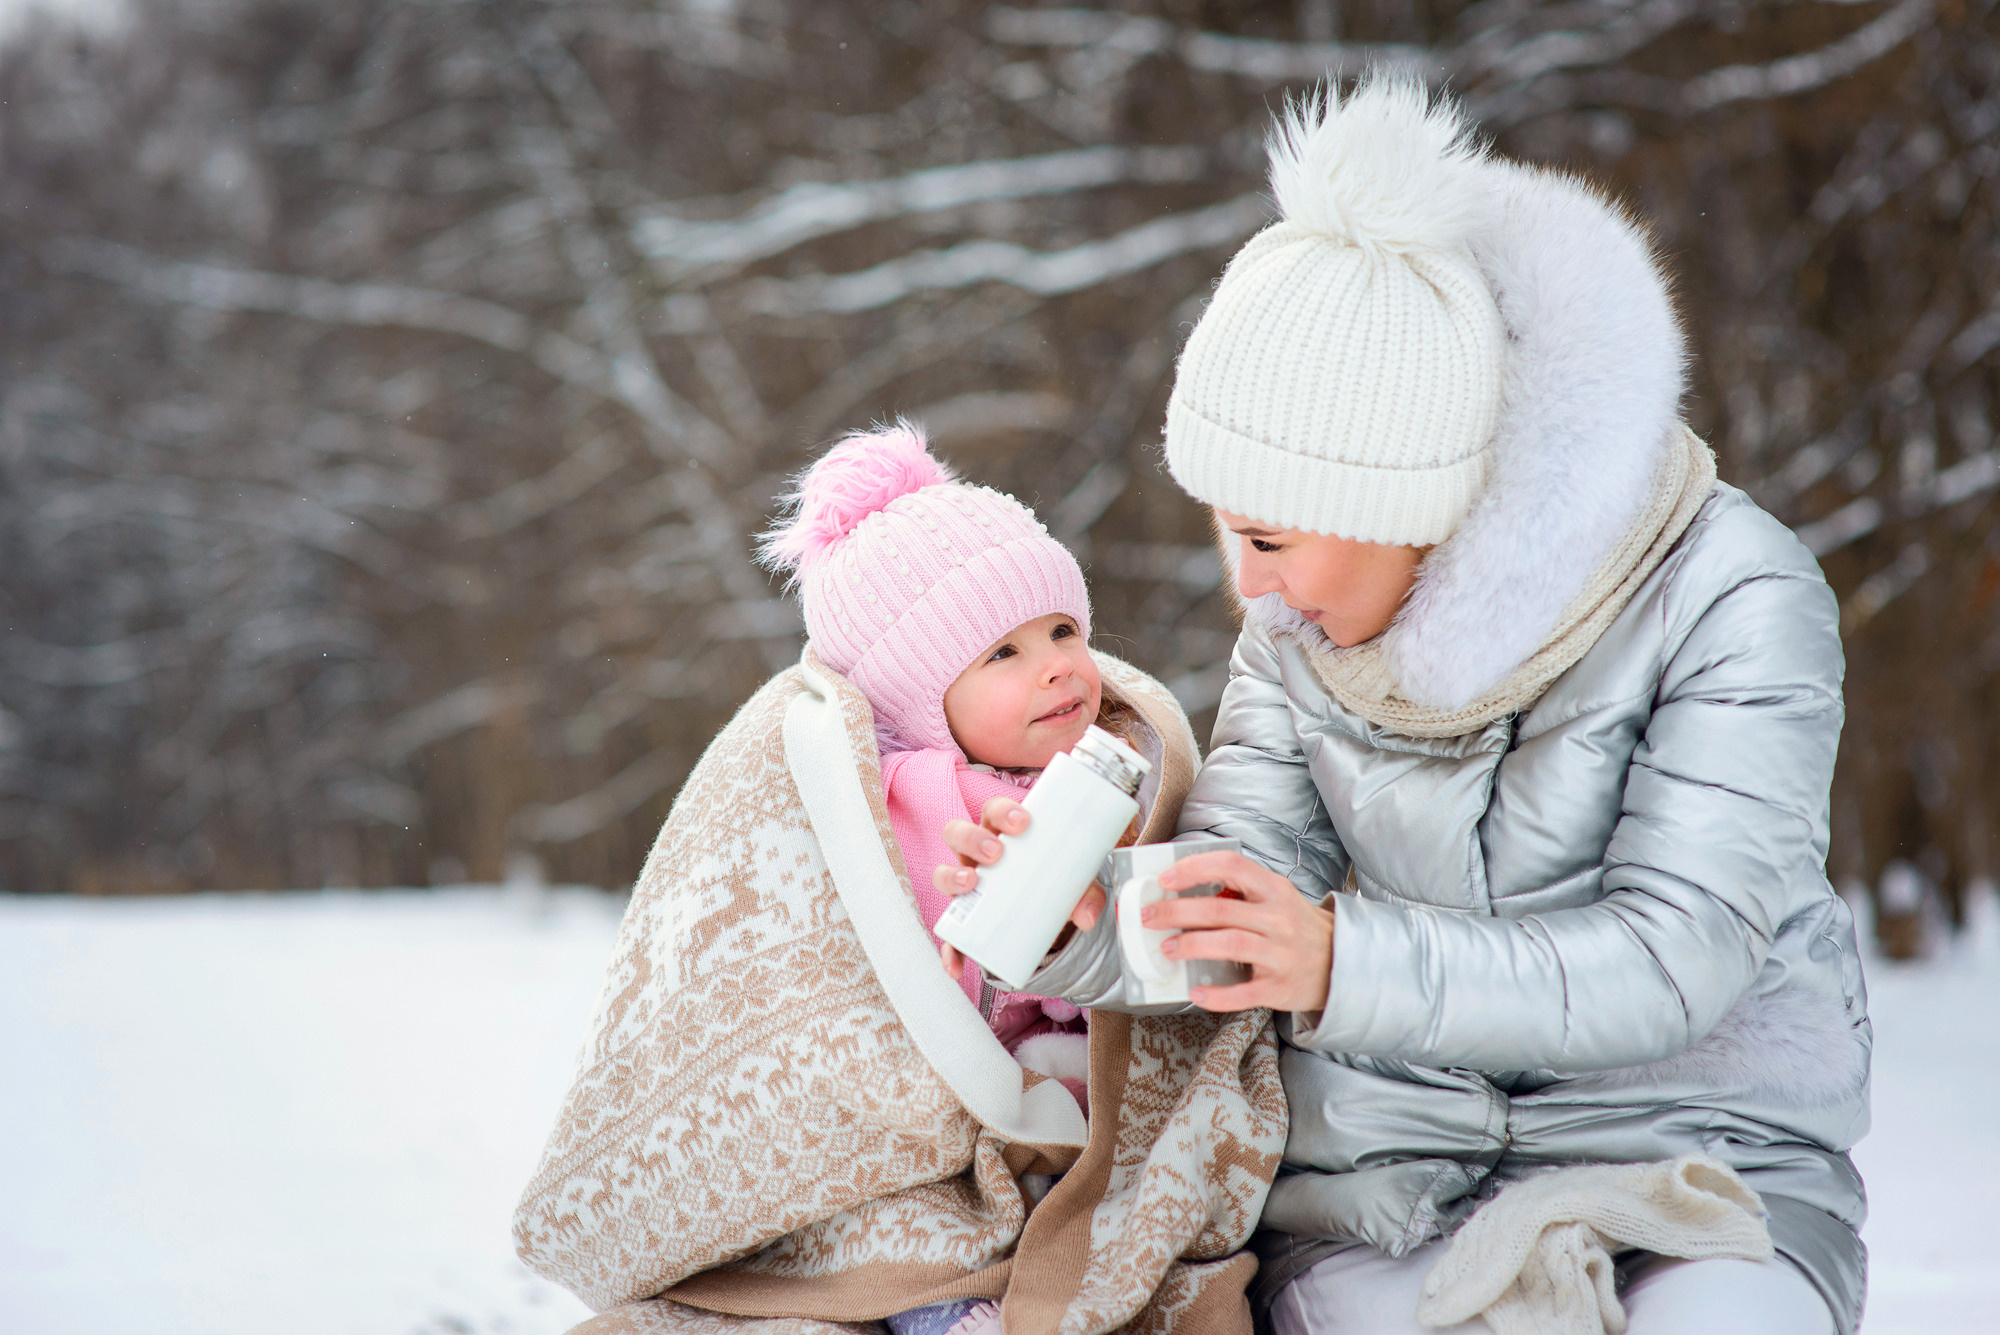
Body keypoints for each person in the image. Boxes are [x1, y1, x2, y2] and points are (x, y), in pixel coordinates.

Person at [939, 78, 1869, 1335]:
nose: (1246, 586)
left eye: (1268, 536)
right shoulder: (1294, 634)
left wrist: (1341, 959)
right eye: (1226, 534)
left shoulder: (1730, 595)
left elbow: (1675, 953)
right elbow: (1238, 888)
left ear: (1405, 502)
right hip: (1381, 1206)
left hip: (1699, 1172)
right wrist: (1090, 922)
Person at [514, 419, 1286, 1335]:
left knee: (1115, 1207)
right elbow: (885, 962)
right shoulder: (899, 801)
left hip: (1059, 1100)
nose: (1055, 668)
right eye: (1002, 654)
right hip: (921, 1128)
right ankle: (949, 1315)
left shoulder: (1112, 762)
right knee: (910, 1229)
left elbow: (1137, 962)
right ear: (923, 697)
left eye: (1062, 629)